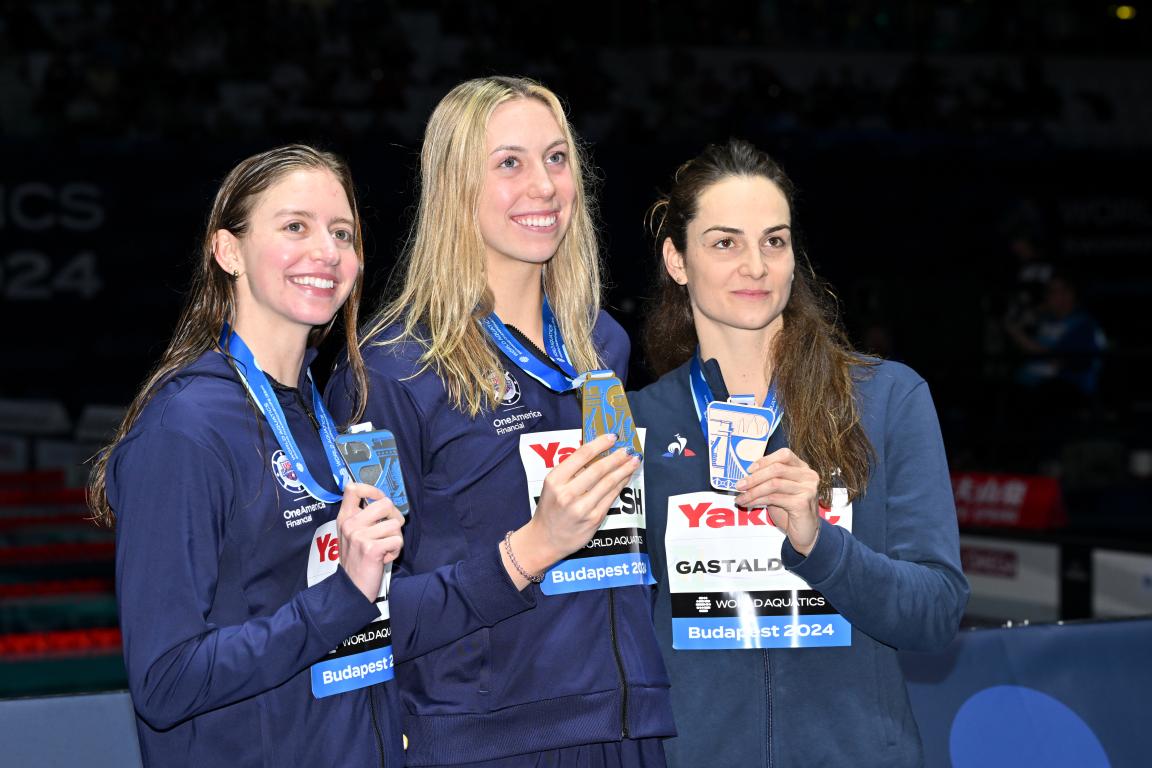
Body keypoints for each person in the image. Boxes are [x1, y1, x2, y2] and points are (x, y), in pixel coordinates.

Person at [326, 76, 675, 766]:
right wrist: (530, 550)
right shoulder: (393, 373)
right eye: (509, 163)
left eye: (556, 158)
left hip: (625, 727)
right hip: (489, 741)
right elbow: (361, 616)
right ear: (456, 187)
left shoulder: (600, 345)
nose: (543, 187)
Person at [629, 139, 969, 767]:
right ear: (677, 260)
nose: (755, 266)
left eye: (774, 241)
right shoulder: (639, 424)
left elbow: (936, 611)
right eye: (725, 242)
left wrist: (820, 544)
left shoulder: (886, 399)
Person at [87, 145, 406, 767]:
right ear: (228, 251)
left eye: (343, 233)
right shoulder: (186, 428)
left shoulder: (331, 414)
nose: (327, 251)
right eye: (295, 227)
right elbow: (166, 681)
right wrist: (344, 593)